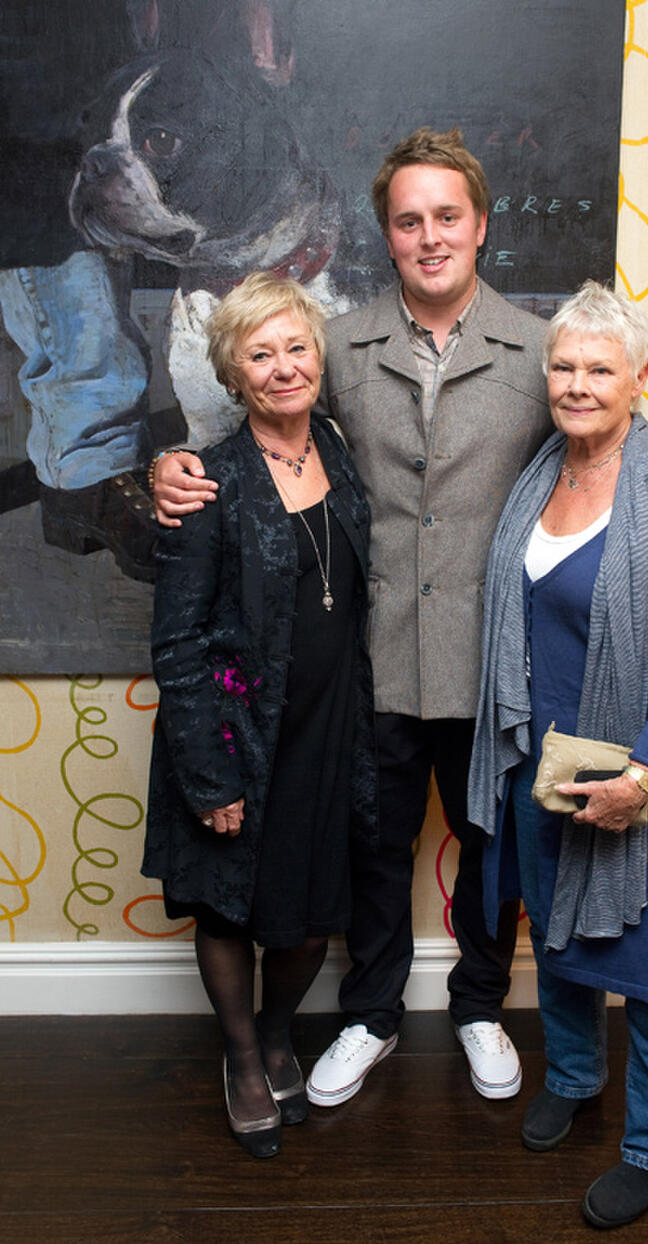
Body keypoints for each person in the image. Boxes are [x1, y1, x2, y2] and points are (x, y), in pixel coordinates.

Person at [151, 128, 648, 1108]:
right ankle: (371, 1011)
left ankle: (475, 1004)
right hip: (373, 663)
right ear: (386, 234)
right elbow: (268, 422)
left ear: (480, 226)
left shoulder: (538, 347)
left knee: (493, 851)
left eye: (446, 217)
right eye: (408, 220)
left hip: (497, 666)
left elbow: (621, 427)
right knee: (373, 850)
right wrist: (173, 464)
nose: (429, 236)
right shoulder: (336, 344)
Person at [468, 281, 648, 1228]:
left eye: (600, 369)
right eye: (565, 366)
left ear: (638, 379)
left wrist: (642, 777)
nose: (578, 385)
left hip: (644, 770)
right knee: (561, 938)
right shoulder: (542, 469)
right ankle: (573, 1077)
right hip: (545, 761)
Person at [142, 272, 377, 1156]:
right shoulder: (207, 480)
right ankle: (243, 1058)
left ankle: (281, 1030)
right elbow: (177, 643)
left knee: (313, 907)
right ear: (234, 377)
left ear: (319, 357)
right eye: (260, 355)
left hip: (330, 729)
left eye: (297, 348)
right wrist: (209, 775)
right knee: (229, 912)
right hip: (237, 738)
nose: (284, 369)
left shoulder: (343, 451)